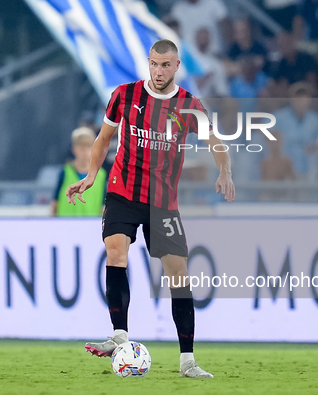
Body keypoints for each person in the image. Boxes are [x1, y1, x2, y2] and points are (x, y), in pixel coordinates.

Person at [66, 40, 235, 378]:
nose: (159, 71)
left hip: (162, 201)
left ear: (176, 66)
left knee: (179, 276)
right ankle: (119, 335)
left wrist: (225, 170)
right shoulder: (124, 95)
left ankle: (187, 361)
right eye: (154, 64)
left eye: (166, 65)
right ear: (149, 63)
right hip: (123, 191)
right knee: (116, 251)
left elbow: (215, 140)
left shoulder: (189, 105)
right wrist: (91, 175)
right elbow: (102, 139)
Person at [51, 127, 106, 217]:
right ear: (74, 149)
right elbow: (55, 201)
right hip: (65, 222)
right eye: (81, 147)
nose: (85, 151)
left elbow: (103, 204)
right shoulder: (65, 171)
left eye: (88, 147)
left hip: (91, 223)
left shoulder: (101, 175)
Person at [273, 83, 318, 179]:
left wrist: (313, 147)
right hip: (285, 171)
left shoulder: (315, 120)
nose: (301, 101)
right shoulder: (280, 117)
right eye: (297, 98)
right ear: (291, 99)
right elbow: (262, 131)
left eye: (304, 98)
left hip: (307, 170)